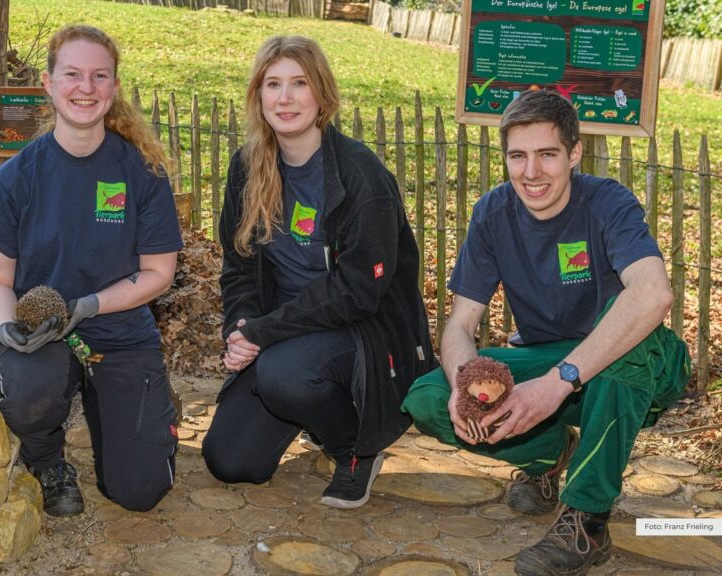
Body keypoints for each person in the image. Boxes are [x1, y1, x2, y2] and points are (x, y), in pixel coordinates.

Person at [402, 90, 689, 576]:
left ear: (574, 154)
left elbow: (653, 295)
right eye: (518, 156)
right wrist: (461, 384)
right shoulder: (492, 213)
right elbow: (459, 325)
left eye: (547, 154)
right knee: (428, 398)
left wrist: (558, 382)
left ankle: (588, 520)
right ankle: (552, 455)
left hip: (639, 370)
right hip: (547, 361)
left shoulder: (608, 202)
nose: (531, 172)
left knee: (625, 329)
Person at [202, 36, 436, 509]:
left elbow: (357, 291)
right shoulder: (248, 168)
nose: (285, 98)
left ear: (322, 95)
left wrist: (264, 333)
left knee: (284, 375)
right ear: (259, 97)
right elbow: (239, 265)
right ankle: (311, 407)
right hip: (285, 332)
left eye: (299, 84)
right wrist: (241, 328)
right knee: (232, 463)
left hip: (361, 330)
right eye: (273, 85)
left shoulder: (358, 174)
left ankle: (354, 447)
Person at [0, 25, 182, 517]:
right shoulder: (12, 180)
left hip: (120, 329)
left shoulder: (142, 172)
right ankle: (47, 460)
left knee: (140, 492)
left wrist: (91, 304)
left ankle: (122, 402)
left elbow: (159, 273)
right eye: (72, 74)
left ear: (112, 88)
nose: (84, 87)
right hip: (42, 332)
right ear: (48, 83)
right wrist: (6, 325)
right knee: (26, 392)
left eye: (98, 76)